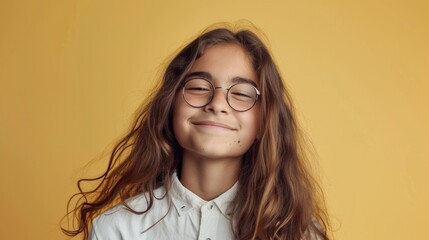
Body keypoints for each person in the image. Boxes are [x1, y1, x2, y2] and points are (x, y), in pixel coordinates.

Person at [63, 24, 330, 240]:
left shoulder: (298, 232)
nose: (216, 104)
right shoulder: (117, 230)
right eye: (200, 87)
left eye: (241, 93)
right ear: (171, 105)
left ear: (263, 124)